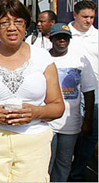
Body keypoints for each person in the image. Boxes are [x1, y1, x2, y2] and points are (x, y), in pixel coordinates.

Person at [0, 0, 64, 182]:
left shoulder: (42, 58)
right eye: (4, 23)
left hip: (33, 143)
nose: (12, 27)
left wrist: (35, 112)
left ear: (26, 25)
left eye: (18, 22)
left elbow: (57, 106)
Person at [47, 23, 96, 182]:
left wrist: (87, 121)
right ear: (51, 39)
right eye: (58, 37)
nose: (62, 41)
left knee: (64, 162)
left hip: (71, 124)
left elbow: (89, 92)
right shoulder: (42, 58)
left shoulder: (80, 60)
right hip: (47, 123)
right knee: (47, 162)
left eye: (66, 37)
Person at [67, 0, 98, 181]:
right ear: (75, 15)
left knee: (90, 134)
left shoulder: (97, 37)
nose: (89, 21)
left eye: (92, 17)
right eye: (85, 17)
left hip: (94, 93)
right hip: (68, 91)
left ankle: (77, 173)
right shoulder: (64, 35)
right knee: (69, 135)